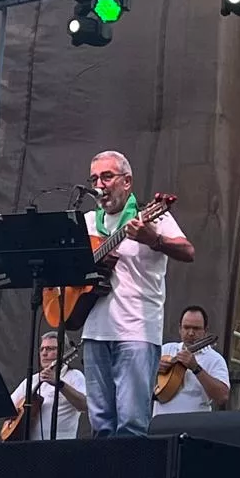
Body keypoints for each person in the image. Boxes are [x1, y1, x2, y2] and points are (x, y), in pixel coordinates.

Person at [79, 150, 194, 437]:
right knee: (100, 425)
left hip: (136, 333)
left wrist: (152, 239)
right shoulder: (89, 222)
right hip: (94, 332)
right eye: (94, 178)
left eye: (107, 176)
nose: (99, 185)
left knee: (131, 423)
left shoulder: (151, 216)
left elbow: (188, 251)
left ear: (127, 181)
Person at [6, 332, 87, 441]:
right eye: (42, 349)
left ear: (63, 352)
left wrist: (60, 384)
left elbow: (85, 405)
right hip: (29, 447)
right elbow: (8, 407)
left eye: (50, 349)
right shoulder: (32, 379)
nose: (44, 353)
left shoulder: (74, 375)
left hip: (61, 448)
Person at [152, 305, 230, 417]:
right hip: (161, 423)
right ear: (180, 329)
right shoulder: (166, 349)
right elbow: (140, 380)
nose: (191, 333)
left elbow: (222, 397)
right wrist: (154, 368)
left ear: (205, 331)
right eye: (186, 327)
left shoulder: (215, 359)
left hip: (194, 427)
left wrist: (196, 368)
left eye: (196, 328)